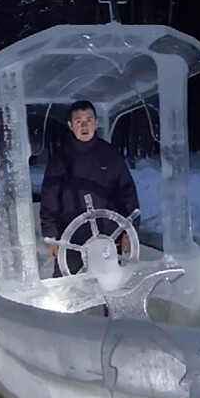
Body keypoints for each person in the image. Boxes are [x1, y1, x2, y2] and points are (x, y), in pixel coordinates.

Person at [40, 100, 140, 277]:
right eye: (78, 121)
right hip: (71, 239)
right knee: (66, 291)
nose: (84, 125)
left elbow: (126, 193)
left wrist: (129, 231)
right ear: (70, 126)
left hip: (107, 239)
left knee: (110, 288)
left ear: (96, 123)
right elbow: (50, 198)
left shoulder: (110, 155)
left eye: (89, 120)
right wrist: (51, 236)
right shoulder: (60, 158)